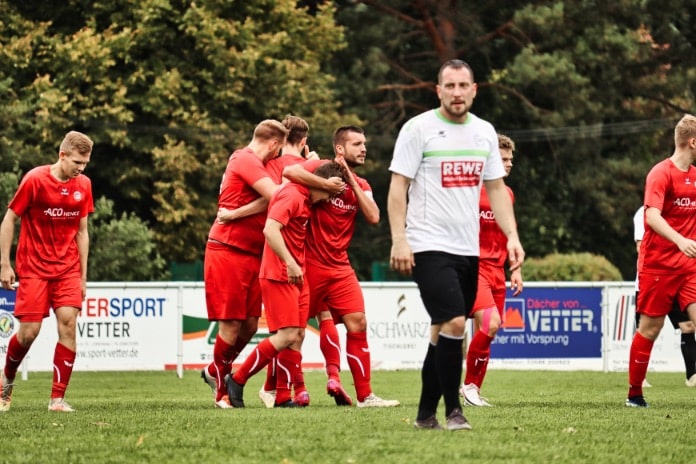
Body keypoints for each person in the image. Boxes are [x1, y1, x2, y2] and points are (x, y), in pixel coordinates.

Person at [387, 59, 524, 430]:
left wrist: (512, 236)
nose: (457, 93)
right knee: (455, 321)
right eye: (449, 86)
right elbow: (398, 187)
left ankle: (424, 415)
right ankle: (454, 411)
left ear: (474, 89)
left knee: (440, 333)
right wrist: (399, 239)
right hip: (427, 244)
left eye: (463, 86)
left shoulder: (484, 134)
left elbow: (496, 189)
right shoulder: (419, 129)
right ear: (438, 91)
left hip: (469, 250)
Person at [201, 118, 343, 408]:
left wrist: (311, 167)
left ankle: (222, 372)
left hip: (254, 254)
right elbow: (278, 194)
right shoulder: (246, 159)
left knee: (251, 326)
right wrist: (318, 178)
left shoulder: (271, 166)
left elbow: (283, 185)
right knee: (232, 326)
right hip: (228, 247)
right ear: (275, 144)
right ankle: (224, 389)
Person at [277, 126, 400, 408]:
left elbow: (373, 216)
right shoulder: (320, 168)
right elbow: (290, 173)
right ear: (340, 149)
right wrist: (325, 184)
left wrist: (351, 181)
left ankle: (366, 396)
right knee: (292, 332)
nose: (364, 148)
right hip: (309, 266)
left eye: (364, 143)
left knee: (358, 323)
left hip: (340, 267)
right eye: (357, 143)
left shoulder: (364, 185)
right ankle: (285, 393)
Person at [225, 162, 346, 408]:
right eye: (328, 193)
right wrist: (290, 263)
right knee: (286, 335)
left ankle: (282, 397)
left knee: (298, 335)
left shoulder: (305, 198)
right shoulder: (291, 194)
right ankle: (236, 379)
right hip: (278, 273)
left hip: (296, 275)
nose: (327, 200)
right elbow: (270, 230)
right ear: (319, 182)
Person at [0, 131, 94, 413]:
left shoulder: (84, 185)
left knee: (68, 324)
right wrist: (5, 263)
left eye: (86, 163)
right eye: (78, 161)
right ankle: (6, 380)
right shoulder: (35, 180)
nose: (81, 168)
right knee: (29, 333)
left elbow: (82, 232)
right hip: (33, 269)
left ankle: (57, 400)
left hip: (67, 269)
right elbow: (9, 219)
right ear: (62, 155)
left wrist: (82, 278)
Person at [626, 114, 696, 408]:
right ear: (693, 142)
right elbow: (651, 215)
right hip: (658, 267)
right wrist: (680, 240)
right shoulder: (660, 173)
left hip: (690, 268)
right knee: (650, 330)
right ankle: (634, 394)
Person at [459, 134, 523, 407]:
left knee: (489, 331)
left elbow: (509, 231)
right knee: (490, 323)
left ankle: (473, 389)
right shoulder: (467, 189)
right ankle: (468, 386)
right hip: (473, 268)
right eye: (503, 159)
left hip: (498, 270)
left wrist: (515, 269)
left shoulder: (506, 193)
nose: (508, 164)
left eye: (510, 159)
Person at [632, 205, 696, 390]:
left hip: (679, 279)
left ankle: (691, 375)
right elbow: (640, 246)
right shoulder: (643, 214)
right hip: (652, 281)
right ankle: (638, 379)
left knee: (688, 326)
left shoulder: (683, 210)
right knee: (645, 330)